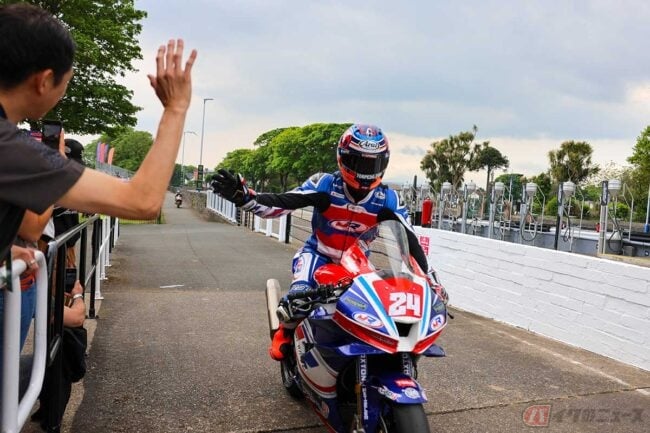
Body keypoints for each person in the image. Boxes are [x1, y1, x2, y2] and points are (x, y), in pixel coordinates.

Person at [211, 124, 447, 360]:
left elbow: (411, 243)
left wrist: (431, 281)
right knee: (299, 298)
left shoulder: (389, 199)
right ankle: (285, 332)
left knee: (379, 309)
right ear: (343, 158)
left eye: (372, 165)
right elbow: (282, 202)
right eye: (358, 162)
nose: (365, 171)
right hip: (317, 254)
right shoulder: (324, 184)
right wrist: (245, 197)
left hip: (357, 264)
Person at [0, 3, 197, 267]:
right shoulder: (14, 150)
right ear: (44, 81)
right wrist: (176, 108)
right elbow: (142, 201)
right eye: (66, 81)